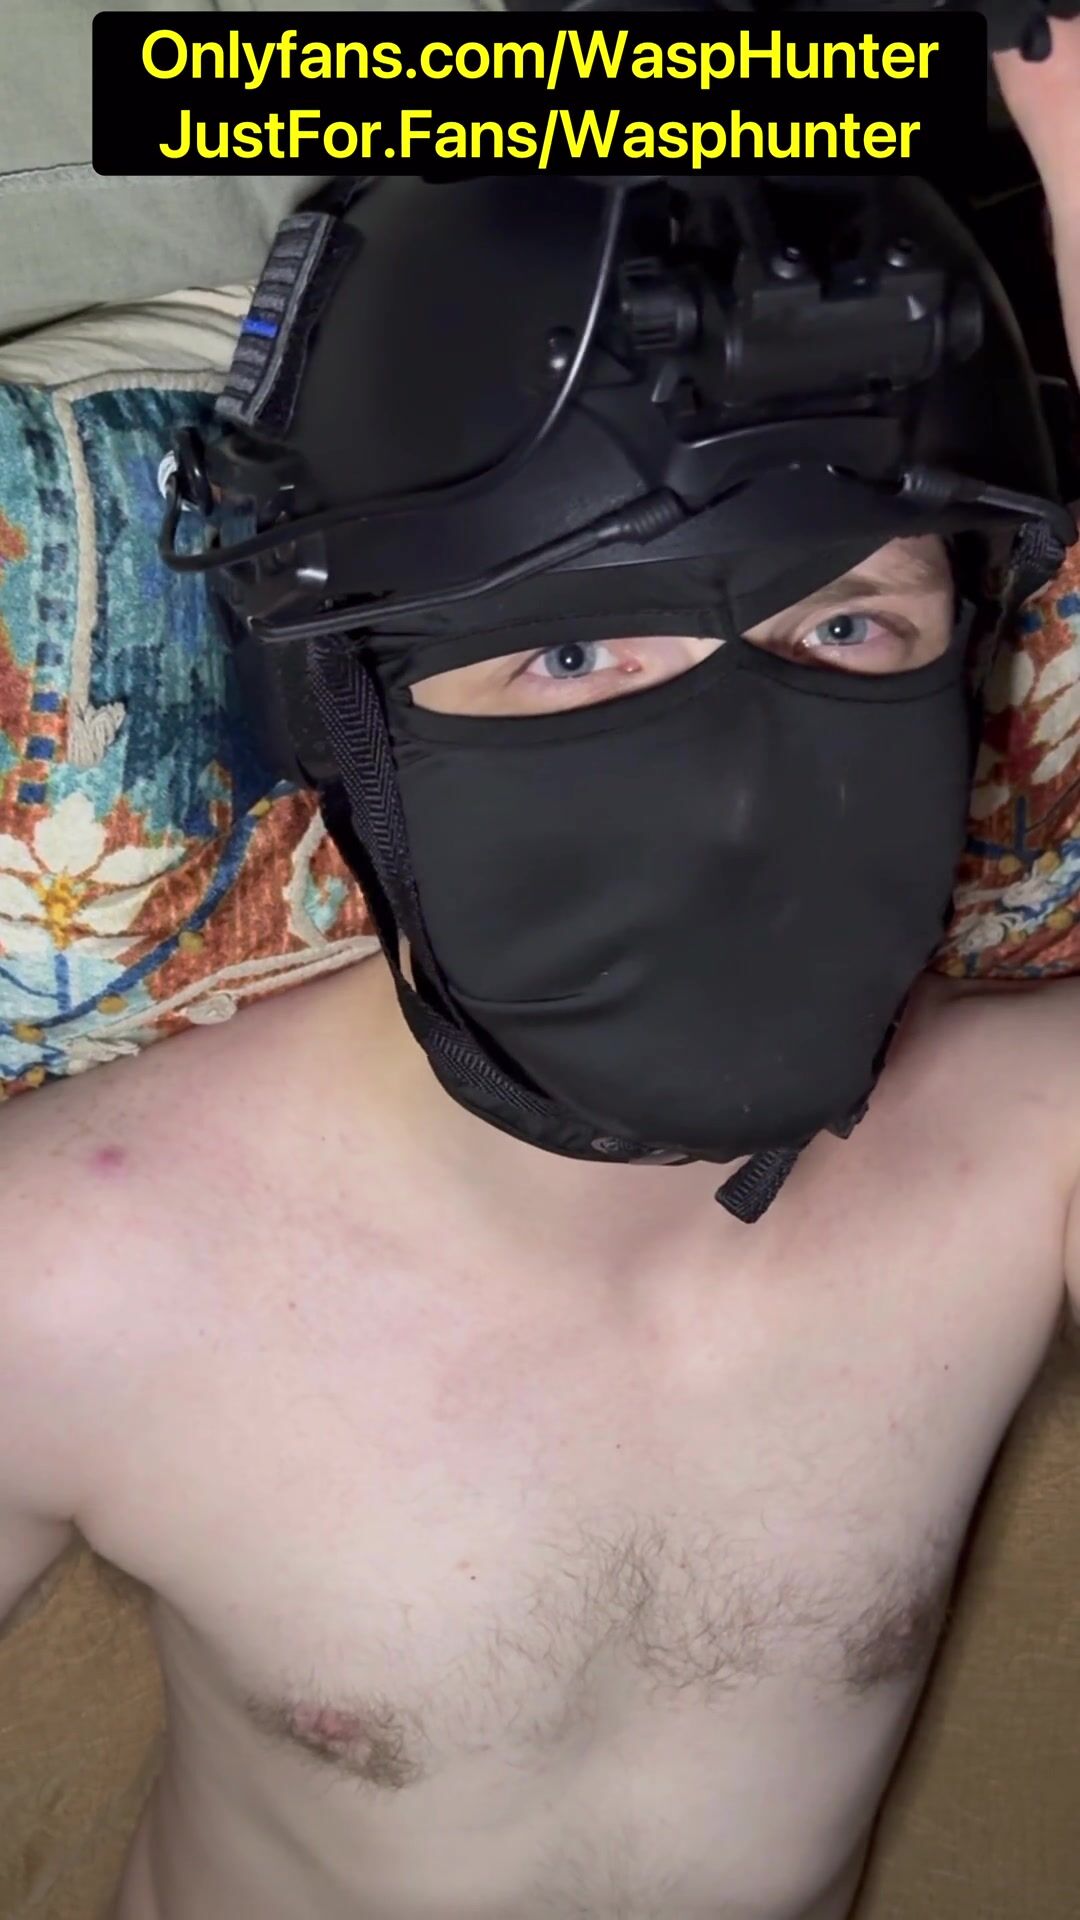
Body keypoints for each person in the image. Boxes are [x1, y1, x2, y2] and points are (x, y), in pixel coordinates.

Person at [2, 16, 1080, 1920]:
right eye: (575, 654)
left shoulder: (1026, 1154)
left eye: (845, 626)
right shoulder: (80, 1271)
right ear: (351, 726)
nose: (736, 795)